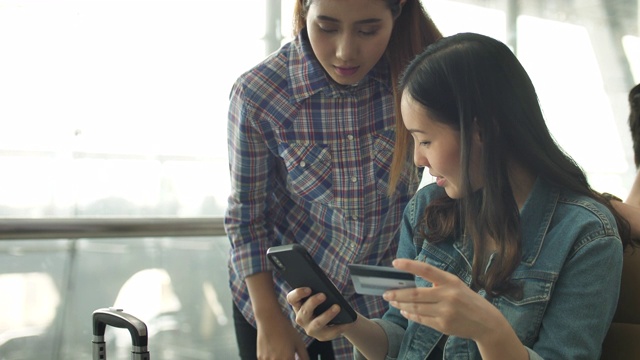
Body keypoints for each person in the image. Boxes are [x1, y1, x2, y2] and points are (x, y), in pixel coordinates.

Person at [287, 32, 635, 359]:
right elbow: (400, 334)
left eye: (424, 140)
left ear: (480, 130)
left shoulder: (585, 235)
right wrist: (349, 325)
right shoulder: (426, 210)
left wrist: (488, 330)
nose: (417, 159)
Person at [224, 0, 442, 359]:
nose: (345, 51)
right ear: (304, 10)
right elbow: (245, 217)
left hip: (380, 307)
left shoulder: (417, 78)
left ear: (398, 11)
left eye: (368, 30)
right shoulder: (260, 93)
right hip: (282, 301)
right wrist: (269, 320)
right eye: (326, 27)